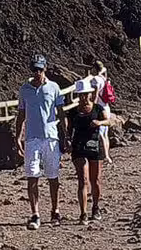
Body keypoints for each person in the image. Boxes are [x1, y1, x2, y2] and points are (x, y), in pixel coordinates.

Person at [14, 55, 65, 229]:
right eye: (34, 69)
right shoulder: (24, 89)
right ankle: (35, 213)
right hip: (31, 138)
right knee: (32, 175)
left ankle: (55, 210)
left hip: (51, 136)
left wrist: (65, 135)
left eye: (40, 69)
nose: (37, 73)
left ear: (45, 69)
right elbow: (21, 114)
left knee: (53, 175)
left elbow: (61, 112)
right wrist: (17, 137)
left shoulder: (54, 87)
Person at [61, 87, 115, 224]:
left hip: (95, 146)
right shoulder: (73, 112)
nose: (84, 97)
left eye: (86, 94)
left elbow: (109, 121)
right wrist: (67, 140)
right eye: (81, 95)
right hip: (79, 147)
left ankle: (95, 207)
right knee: (82, 179)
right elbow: (68, 129)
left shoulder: (97, 109)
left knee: (95, 179)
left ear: (90, 94)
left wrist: (100, 122)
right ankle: (83, 212)